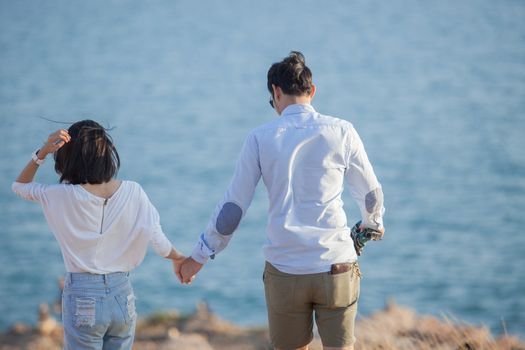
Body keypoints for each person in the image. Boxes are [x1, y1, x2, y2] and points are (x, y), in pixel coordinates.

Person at [177, 51, 385, 350]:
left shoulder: (260, 138)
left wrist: (198, 256)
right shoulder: (342, 131)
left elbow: (233, 209)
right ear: (312, 91)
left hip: (286, 269)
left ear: (276, 93)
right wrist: (371, 226)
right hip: (336, 265)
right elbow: (370, 194)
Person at [12, 120, 185, 350]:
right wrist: (179, 258)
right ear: (107, 154)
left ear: (68, 158)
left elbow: (20, 186)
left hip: (82, 295)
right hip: (122, 296)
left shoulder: (60, 195)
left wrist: (42, 151)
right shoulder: (134, 191)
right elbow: (159, 242)